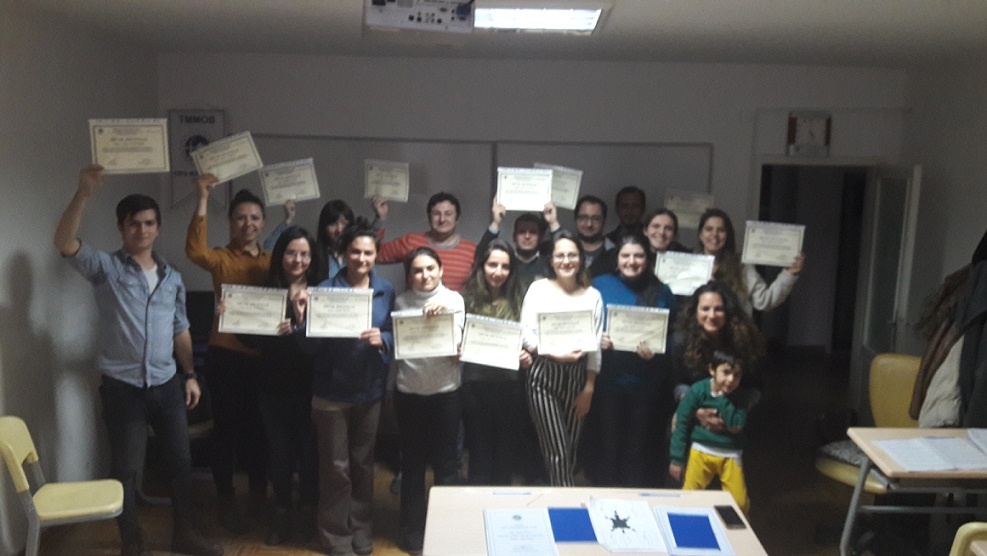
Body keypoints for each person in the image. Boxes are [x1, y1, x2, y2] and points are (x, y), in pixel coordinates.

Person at [54, 165, 221, 556]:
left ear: (158, 228)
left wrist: (190, 375)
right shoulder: (106, 269)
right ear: (121, 228)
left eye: (148, 223)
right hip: (123, 388)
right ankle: (132, 540)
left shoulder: (171, 277)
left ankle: (184, 535)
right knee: (126, 470)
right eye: (134, 223)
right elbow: (64, 242)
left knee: (180, 463)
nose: (142, 230)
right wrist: (83, 193)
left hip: (166, 384)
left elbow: (180, 329)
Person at [291, 218, 395, 556]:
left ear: (376, 255)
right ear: (344, 253)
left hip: (370, 391)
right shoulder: (324, 289)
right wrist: (302, 319)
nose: (361, 259)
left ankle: (361, 528)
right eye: (355, 252)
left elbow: (397, 333)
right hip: (331, 393)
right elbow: (309, 349)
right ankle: (336, 535)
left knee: (363, 464)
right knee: (336, 468)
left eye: (368, 253)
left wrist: (385, 338)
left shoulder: (386, 290)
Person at [185, 174, 270, 533]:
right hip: (225, 355)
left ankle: (258, 495)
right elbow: (194, 251)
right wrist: (203, 198)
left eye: (254, 217)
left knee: (259, 430)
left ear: (262, 222)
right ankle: (225, 498)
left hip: (262, 357)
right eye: (240, 218)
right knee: (226, 431)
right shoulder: (220, 258)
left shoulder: (271, 261)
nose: (248, 224)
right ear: (231, 222)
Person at [234, 226, 321, 545]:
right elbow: (251, 341)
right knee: (280, 454)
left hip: (312, 386)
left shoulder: (323, 292)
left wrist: (301, 324)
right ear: (280, 256)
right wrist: (231, 318)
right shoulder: (265, 292)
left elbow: (325, 343)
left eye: (304, 254)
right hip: (272, 385)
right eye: (291, 253)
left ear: (312, 258)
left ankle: (309, 514)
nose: (297, 260)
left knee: (310, 454)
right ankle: (281, 513)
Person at [392, 247, 465, 555]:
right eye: (418, 270)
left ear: (441, 270)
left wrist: (444, 316)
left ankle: (445, 530)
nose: (424, 275)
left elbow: (458, 345)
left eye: (430, 269)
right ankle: (412, 531)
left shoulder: (455, 300)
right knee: (412, 466)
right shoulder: (401, 302)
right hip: (409, 394)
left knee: (446, 465)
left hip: (446, 393)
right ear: (410, 275)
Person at [591, 233, 677, 487]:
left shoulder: (662, 290)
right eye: (625, 255)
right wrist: (596, 338)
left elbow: (673, 332)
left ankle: (631, 499)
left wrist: (658, 349)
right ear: (617, 259)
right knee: (606, 446)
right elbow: (585, 322)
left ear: (647, 259)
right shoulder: (599, 285)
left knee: (636, 448)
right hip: (607, 382)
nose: (632, 261)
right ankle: (605, 497)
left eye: (638, 256)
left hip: (646, 384)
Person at [520, 230, 604, 486]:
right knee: (557, 449)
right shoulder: (538, 289)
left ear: (581, 259)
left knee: (570, 447)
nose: (566, 261)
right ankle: (566, 501)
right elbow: (526, 334)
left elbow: (595, 348)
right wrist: (552, 352)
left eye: (572, 255)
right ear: (552, 260)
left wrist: (589, 388)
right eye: (560, 256)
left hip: (578, 379)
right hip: (544, 375)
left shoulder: (593, 296)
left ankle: (559, 495)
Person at [461, 239, 540, 485]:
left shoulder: (522, 299)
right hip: (475, 385)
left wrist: (528, 355)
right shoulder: (466, 299)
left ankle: (501, 501)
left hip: (510, 386)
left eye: (505, 266)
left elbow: (532, 337)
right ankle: (476, 501)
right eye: (492, 265)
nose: (498, 272)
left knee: (506, 452)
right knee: (478, 451)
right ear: (481, 266)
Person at [669, 281, 765, 433]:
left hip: (735, 408)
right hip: (694, 405)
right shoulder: (681, 341)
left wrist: (732, 413)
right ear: (695, 312)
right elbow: (679, 383)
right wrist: (696, 410)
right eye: (705, 309)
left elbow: (754, 386)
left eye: (718, 309)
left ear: (728, 311)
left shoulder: (745, 341)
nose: (712, 315)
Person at [669, 350, 753, 513]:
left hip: (730, 454)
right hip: (700, 451)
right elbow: (681, 422)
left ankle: (735, 529)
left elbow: (736, 425)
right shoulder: (698, 390)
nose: (731, 380)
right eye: (726, 372)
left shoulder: (741, 396)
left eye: (736, 375)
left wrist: (722, 400)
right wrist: (677, 459)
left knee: (740, 503)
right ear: (712, 370)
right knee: (689, 498)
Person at [697, 208, 804, 315]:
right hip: (698, 326)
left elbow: (764, 301)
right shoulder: (691, 265)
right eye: (709, 229)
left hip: (735, 325)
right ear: (701, 235)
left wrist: (789, 273)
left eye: (721, 230)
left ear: (728, 235)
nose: (714, 234)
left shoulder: (741, 266)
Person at [373, 193, 477, 293]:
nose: (442, 219)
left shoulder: (472, 251)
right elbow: (375, 255)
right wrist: (380, 219)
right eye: (436, 213)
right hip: (414, 304)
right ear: (428, 217)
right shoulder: (410, 242)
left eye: (448, 214)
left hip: (456, 305)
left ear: (456, 218)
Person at [475, 197, 560, 290]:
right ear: (514, 237)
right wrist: (496, 223)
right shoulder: (506, 264)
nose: (527, 236)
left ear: (540, 237)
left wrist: (553, 223)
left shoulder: (550, 264)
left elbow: (566, 249)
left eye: (533, 232)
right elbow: (480, 256)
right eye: (522, 232)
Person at [572, 195, 615, 271]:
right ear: (576, 219)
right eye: (584, 218)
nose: (589, 224)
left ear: (604, 221)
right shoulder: (561, 247)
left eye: (595, 219)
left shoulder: (614, 252)